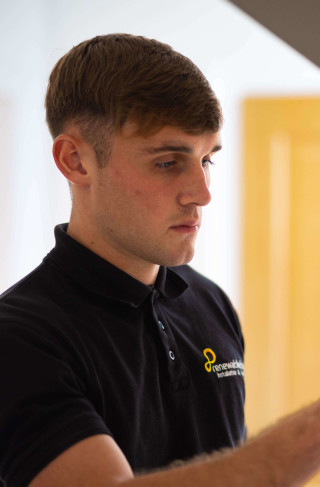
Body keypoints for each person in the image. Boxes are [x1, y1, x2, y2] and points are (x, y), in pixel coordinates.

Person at [0, 34, 319, 487]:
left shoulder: (210, 302)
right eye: (169, 162)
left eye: (207, 159)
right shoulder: (19, 338)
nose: (203, 194)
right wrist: (299, 443)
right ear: (76, 161)